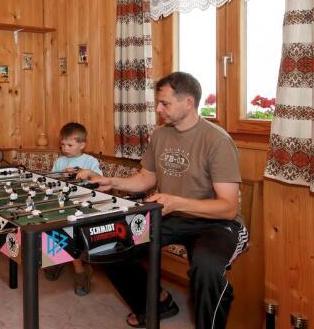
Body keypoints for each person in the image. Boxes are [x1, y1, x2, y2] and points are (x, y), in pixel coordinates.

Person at [78, 72, 248, 328]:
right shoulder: (160, 135)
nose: (158, 109)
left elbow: (227, 207)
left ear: (188, 103)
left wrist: (177, 202)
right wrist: (111, 181)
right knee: (106, 244)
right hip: (170, 215)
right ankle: (157, 303)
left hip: (216, 224)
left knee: (207, 269)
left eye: (165, 104)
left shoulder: (217, 140)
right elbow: (146, 178)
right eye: (158, 103)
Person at [45, 122, 102, 296]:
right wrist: (60, 178)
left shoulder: (90, 161)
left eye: (69, 145)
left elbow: (101, 181)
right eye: (62, 145)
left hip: (83, 206)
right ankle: (57, 258)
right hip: (63, 204)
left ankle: (80, 272)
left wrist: (84, 172)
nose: (65, 148)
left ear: (82, 145)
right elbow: (51, 182)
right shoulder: (60, 161)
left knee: (70, 232)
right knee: (48, 225)